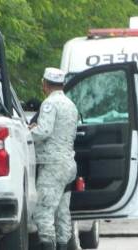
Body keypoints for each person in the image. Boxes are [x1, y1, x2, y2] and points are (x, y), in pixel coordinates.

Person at [30, 67, 78, 250]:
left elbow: (44, 131)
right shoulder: (70, 105)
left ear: (45, 84)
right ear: (62, 84)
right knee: (62, 213)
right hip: (68, 165)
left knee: (44, 211)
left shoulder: (49, 104)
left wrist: (27, 133)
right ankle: (64, 245)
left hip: (53, 165)